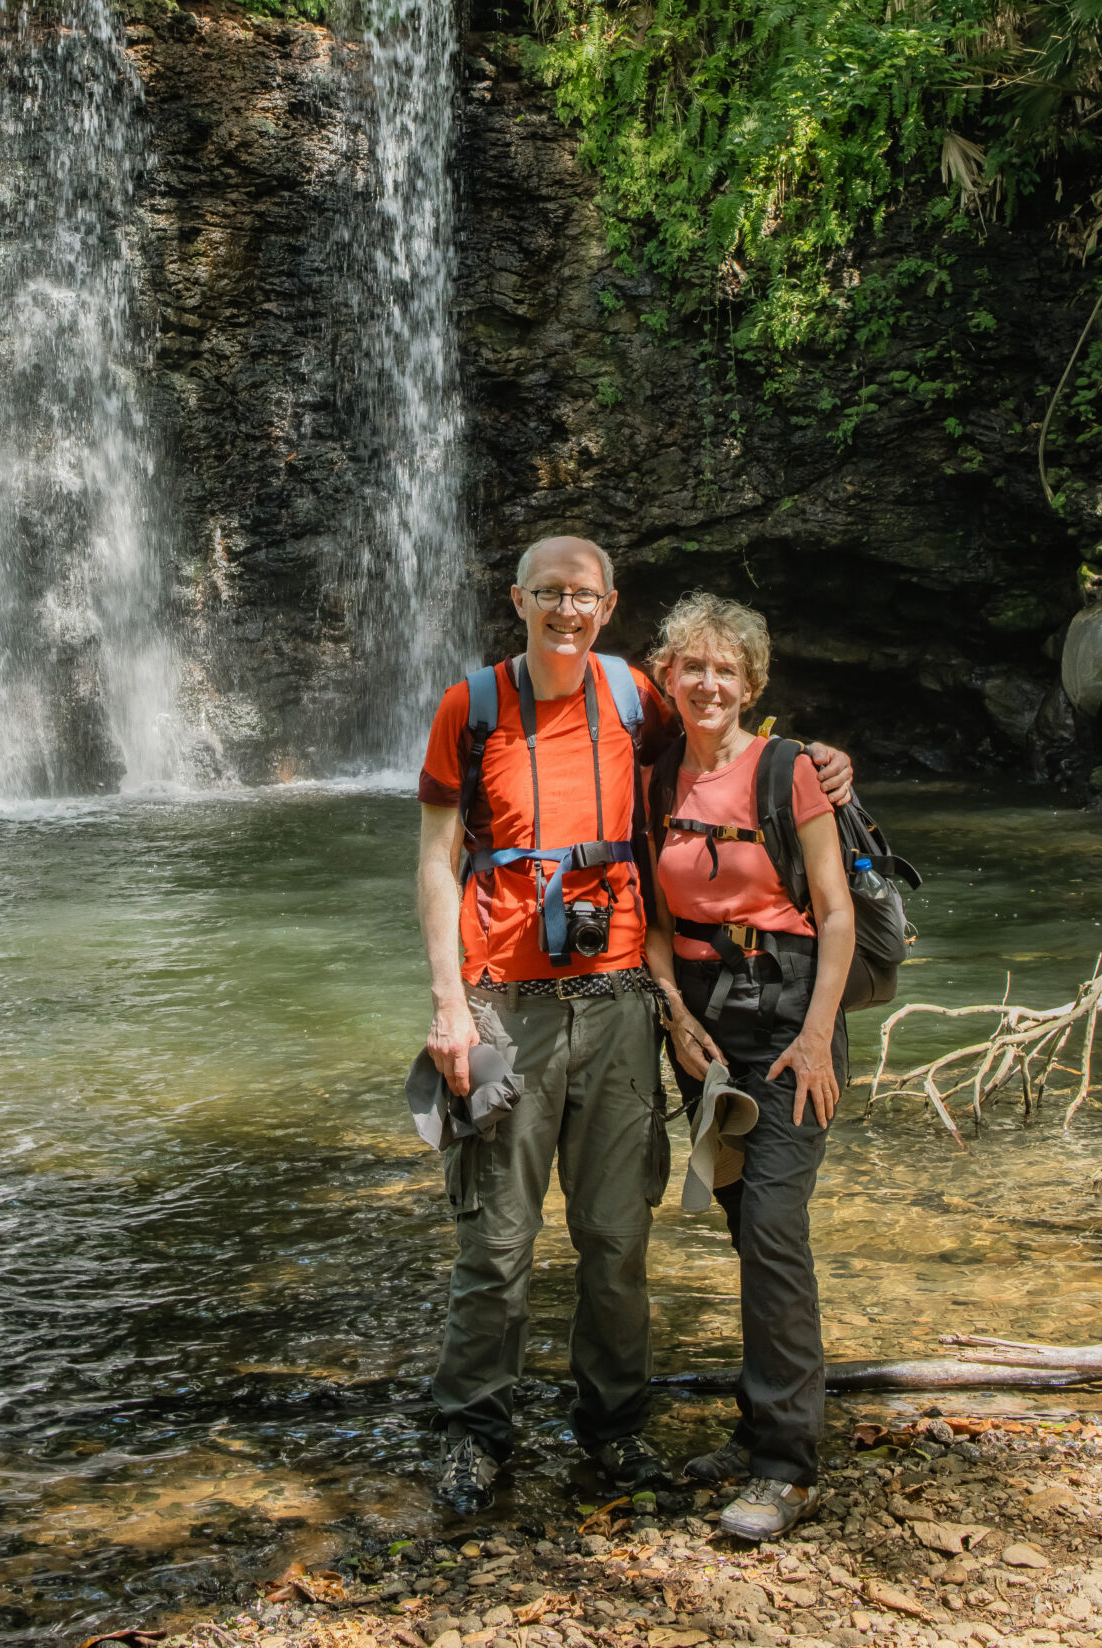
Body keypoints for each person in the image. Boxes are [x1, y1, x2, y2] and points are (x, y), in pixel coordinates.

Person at [416, 537, 853, 1519]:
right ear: (517, 597)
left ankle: (613, 1429)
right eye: (548, 594)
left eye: (582, 595)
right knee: (494, 1238)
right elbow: (437, 859)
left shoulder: (632, 701)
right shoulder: (469, 707)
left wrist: (830, 762)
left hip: (617, 1008)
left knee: (615, 1238)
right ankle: (473, 1432)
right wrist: (448, 1003)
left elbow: (728, 745)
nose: (565, 611)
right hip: (504, 1006)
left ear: (608, 605)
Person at [643, 589, 856, 1545]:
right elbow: (650, 923)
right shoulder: (652, 779)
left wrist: (817, 1036)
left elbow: (836, 910)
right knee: (742, 1224)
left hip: (790, 1022)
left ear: (751, 683)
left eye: (726, 669)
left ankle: (786, 1464)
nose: (709, 682)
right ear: (667, 676)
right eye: (693, 666)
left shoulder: (788, 772)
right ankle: (761, 1418)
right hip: (705, 1031)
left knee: (772, 1225)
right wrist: (677, 1018)